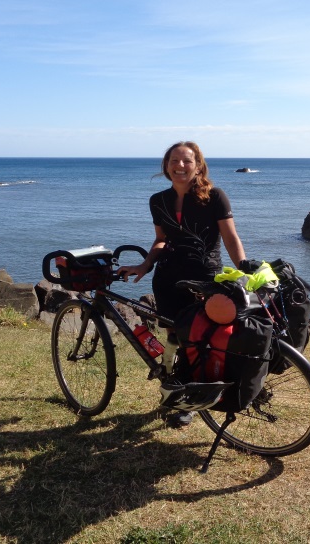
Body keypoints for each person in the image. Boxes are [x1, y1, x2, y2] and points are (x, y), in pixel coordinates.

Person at [118, 141, 246, 426]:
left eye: (187, 161)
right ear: (166, 166)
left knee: (199, 339)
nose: (180, 166)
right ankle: (177, 388)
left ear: (198, 165)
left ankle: (191, 401)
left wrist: (243, 270)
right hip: (168, 279)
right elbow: (162, 239)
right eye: (174, 160)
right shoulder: (158, 200)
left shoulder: (215, 197)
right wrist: (145, 264)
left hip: (204, 279)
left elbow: (230, 238)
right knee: (175, 335)